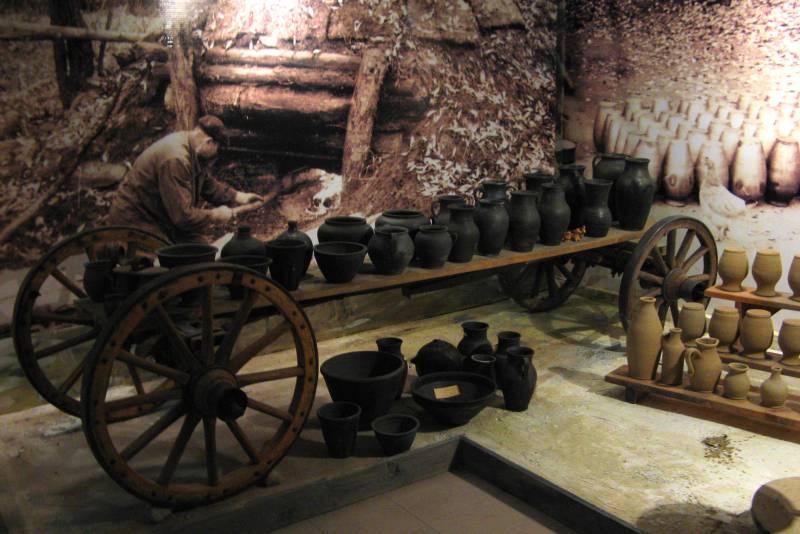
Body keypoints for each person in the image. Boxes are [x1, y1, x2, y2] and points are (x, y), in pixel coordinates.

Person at [107, 115, 264, 243]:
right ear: (209, 142)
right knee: (165, 264)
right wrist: (215, 216)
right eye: (217, 148)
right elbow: (182, 217)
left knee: (203, 251)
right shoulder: (176, 160)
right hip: (137, 219)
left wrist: (238, 197)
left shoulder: (191, 145)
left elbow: (206, 183)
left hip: (162, 217)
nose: (216, 153)